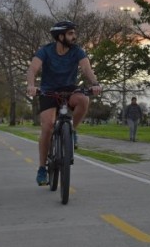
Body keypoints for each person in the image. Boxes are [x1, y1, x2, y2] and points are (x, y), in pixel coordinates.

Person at [26, 20, 102, 186]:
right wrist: (31, 86)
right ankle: (41, 169)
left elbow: (87, 69)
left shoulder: (77, 51)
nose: (74, 36)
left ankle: (72, 131)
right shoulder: (46, 51)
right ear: (60, 36)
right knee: (47, 127)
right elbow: (32, 69)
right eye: (70, 33)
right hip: (48, 91)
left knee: (83, 99)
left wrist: (95, 83)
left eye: (74, 33)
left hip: (69, 90)